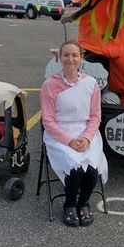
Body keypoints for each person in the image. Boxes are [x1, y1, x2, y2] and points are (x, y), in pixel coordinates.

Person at [40, 40, 108, 227]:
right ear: (59, 58)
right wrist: (69, 141)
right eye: (66, 55)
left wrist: (86, 138)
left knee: (92, 169)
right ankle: (69, 205)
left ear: (81, 58)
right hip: (59, 134)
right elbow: (48, 121)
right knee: (76, 168)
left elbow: (95, 116)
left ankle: (83, 203)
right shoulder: (50, 85)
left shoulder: (91, 83)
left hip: (87, 132)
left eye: (74, 55)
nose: (70, 59)